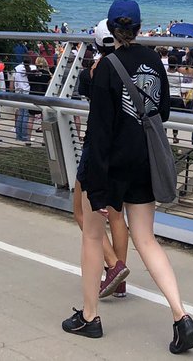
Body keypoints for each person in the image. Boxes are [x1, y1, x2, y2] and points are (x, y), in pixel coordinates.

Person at [65, 0, 193, 353]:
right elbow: (164, 111)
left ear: (110, 29)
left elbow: (99, 132)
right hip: (144, 161)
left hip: (110, 165)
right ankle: (180, 316)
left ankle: (90, 317)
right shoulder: (155, 61)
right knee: (147, 239)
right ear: (139, 28)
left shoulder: (107, 67)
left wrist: (97, 185)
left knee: (93, 238)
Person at [71, 20, 132, 301]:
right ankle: (118, 283)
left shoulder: (93, 73)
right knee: (117, 215)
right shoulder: (131, 68)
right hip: (124, 146)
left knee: (82, 212)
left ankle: (113, 265)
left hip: (96, 147)